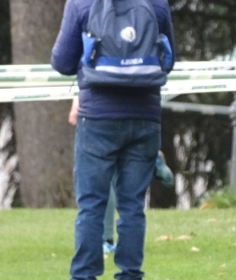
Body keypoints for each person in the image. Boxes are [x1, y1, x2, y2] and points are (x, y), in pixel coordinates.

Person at [48, 0, 175, 280]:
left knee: (91, 204)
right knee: (133, 205)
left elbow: (61, 63)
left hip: (98, 117)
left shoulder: (81, 0)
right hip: (145, 116)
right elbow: (169, 59)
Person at [67, 97, 175, 254]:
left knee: (104, 176)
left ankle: (106, 239)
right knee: (124, 166)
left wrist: (77, 100)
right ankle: (150, 161)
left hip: (103, 113)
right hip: (140, 113)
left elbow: (81, 73)